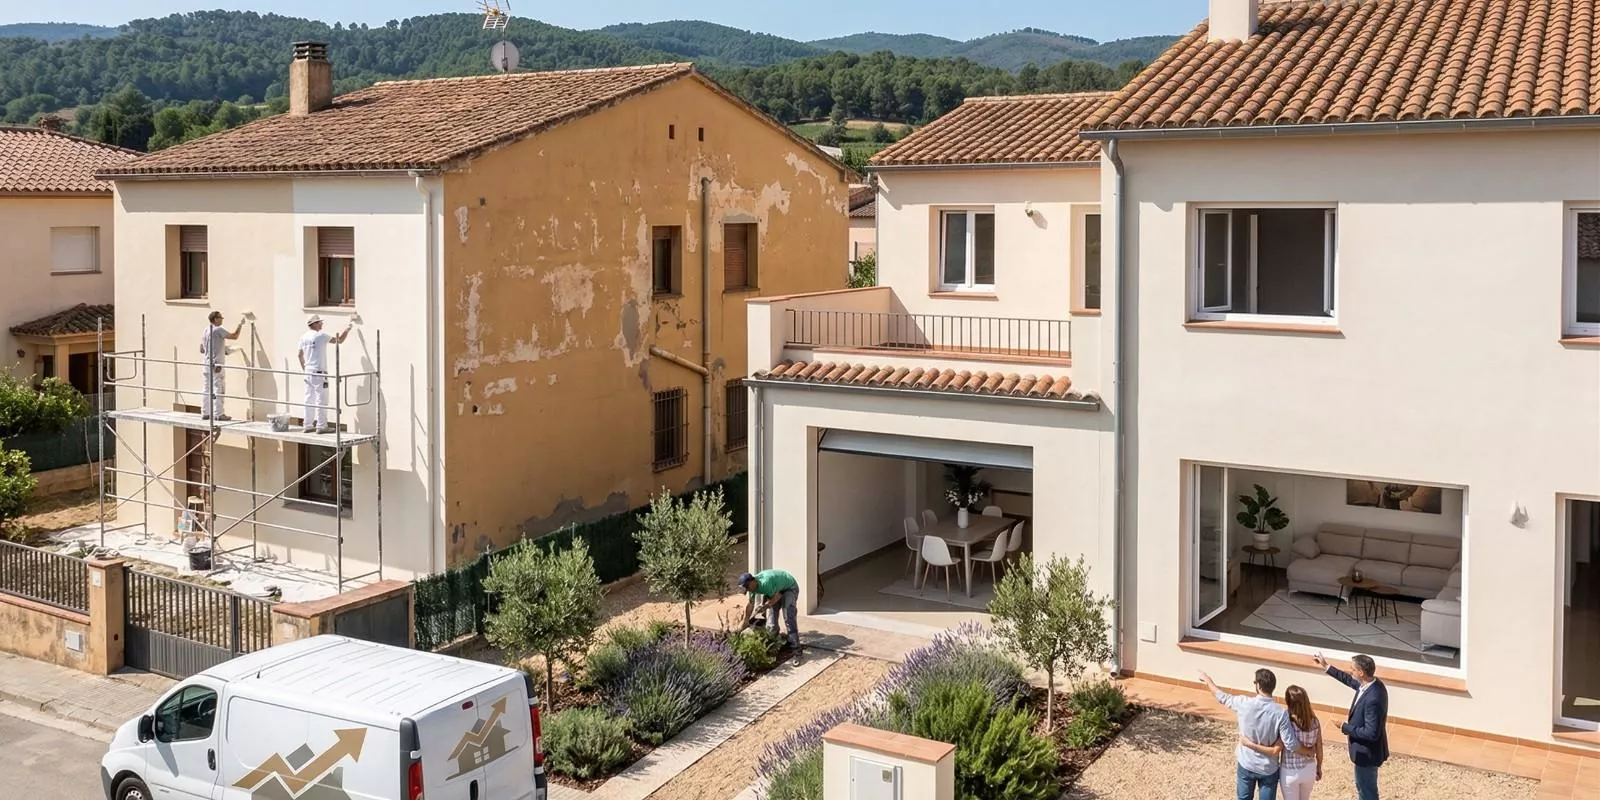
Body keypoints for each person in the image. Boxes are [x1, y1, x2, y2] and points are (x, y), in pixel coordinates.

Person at [1201, 668, 1300, 800]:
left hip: (1247, 762)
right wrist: (1308, 751)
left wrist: (1208, 681)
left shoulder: (1244, 703)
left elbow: (1222, 697)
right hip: (1268, 768)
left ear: (1258, 686)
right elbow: (1291, 744)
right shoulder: (1280, 713)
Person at [1315, 652, 1388, 800]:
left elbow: (1371, 733)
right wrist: (1326, 666)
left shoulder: (1373, 698)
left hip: (1366, 754)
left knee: (1366, 791)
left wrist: (1344, 727)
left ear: (1361, 673)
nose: (1350, 671)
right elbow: (1348, 680)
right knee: (1363, 788)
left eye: (1353, 669)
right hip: (1365, 752)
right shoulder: (1370, 684)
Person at [1240, 685, 1324, 800]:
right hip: (1309, 769)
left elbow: (1278, 748)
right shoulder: (1314, 721)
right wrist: (1319, 766)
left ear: (1288, 702)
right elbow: (1319, 748)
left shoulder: (1286, 721)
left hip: (1290, 771)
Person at [297, 315, 354, 433]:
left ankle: (307, 425)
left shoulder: (303, 337)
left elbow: (299, 355)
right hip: (319, 373)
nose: (322, 324)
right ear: (314, 324)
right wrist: (348, 329)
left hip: (308, 372)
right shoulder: (320, 336)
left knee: (309, 399)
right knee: (321, 400)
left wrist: (305, 369)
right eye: (320, 322)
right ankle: (321, 426)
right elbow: (339, 340)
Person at [738, 569, 801, 665]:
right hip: (776, 589)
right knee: (771, 624)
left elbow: (777, 596)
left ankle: (797, 651)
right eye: (745, 588)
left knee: (788, 617)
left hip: (789, 587)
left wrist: (765, 607)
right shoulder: (751, 588)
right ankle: (774, 648)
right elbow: (750, 604)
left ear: (752, 581)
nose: (748, 590)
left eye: (747, 587)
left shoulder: (765, 583)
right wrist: (745, 621)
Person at [199, 311, 244, 420]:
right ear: (215, 319)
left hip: (207, 364)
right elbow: (234, 336)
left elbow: (202, 349)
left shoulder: (206, 330)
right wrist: (240, 325)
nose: (222, 319)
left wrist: (220, 349)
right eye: (220, 317)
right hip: (217, 366)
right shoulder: (219, 329)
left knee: (206, 389)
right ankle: (219, 414)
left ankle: (205, 413)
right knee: (218, 389)